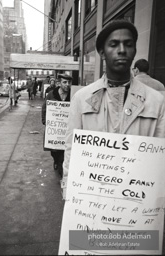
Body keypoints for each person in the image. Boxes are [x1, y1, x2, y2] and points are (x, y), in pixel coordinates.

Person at [62, 19, 165, 196]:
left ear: (134, 51)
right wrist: (68, 189)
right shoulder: (81, 98)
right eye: (114, 44)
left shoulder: (157, 100)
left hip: (137, 202)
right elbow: (71, 149)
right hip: (91, 199)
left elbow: (160, 158)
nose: (122, 50)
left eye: (128, 44)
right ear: (102, 52)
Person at [42, 73, 72, 177]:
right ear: (59, 83)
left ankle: (61, 170)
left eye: (69, 82)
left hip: (67, 130)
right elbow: (45, 107)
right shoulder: (51, 94)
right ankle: (56, 161)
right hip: (54, 130)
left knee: (63, 153)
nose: (67, 85)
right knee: (54, 152)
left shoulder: (73, 95)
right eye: (65, 82)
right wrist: (45, 121)